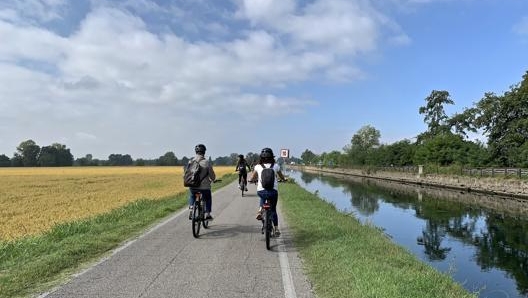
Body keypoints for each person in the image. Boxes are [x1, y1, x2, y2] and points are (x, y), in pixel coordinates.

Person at [248, 148, 286, 236]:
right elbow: (281, 176)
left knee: (263, 196)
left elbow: (253, 178)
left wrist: (250, 180)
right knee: (273, 210)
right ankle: (276, 229)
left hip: (261, 191)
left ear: (261, 157)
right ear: (272, 157)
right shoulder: (276, 166)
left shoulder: (257, 166)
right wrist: (284, 179)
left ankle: (260, 210)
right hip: (273, 192)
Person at [188, 144, 216, 220]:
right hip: (204, 187)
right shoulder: (206, 162)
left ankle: (191, 209)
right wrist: (213, 179)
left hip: (193, 186)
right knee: (208, 197)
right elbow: (212, 175)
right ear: (204, 152)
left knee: (192, 195)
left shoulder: (190, 161)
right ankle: (208, 214)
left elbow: (186, 174)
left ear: (196, 152)